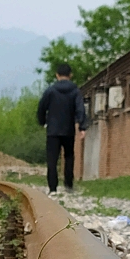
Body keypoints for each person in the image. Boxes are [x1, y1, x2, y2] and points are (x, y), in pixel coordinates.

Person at [35, 62, 87, 193]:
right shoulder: (75, 91)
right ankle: (68, 185)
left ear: (57, 75)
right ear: (70, 75)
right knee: (69, 156)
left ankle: (53, 187)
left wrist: (43, 122)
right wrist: (82, 126)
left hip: (52, 130)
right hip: (68, 130)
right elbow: (80, 109)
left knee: (52, 159)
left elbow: (41, 108)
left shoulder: (50, 90)